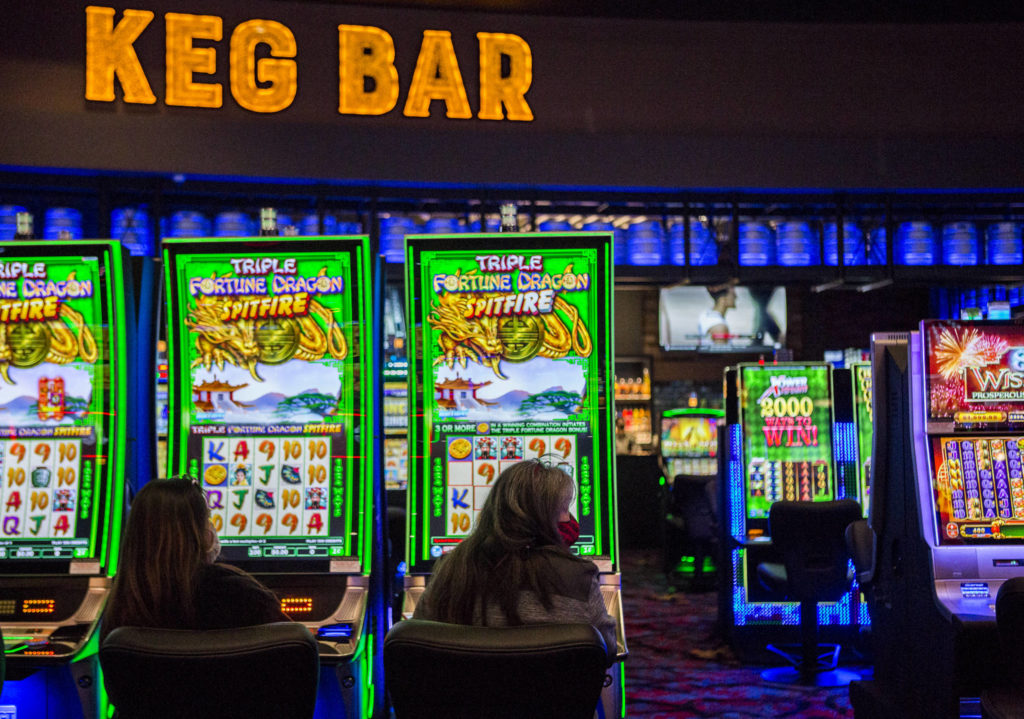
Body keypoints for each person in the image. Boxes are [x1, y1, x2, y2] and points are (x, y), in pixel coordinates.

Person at [414, 459, 617, 658]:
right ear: (545, 517)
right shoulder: (578, 577)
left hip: (467, 691)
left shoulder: (452, 568)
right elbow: (607, 649)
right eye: (564, 509)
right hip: (554, 692)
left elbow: (420, 640)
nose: (568, 518)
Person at [101, 478, 288, 640]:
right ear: (195, 534)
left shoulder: (121, 607)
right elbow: (297, 650)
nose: (211, 529)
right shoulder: (241, 594)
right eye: (207, 519)